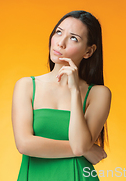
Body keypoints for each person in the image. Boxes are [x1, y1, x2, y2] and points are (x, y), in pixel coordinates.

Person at [12, 10, 111, 180]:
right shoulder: (26, 85)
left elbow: (80, 145)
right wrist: (87, 150)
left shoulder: (98, 94)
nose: (60, 43)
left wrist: (74, 91)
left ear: (88, 51)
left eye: (74, 38)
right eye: (58, 32)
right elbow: (24, 144)